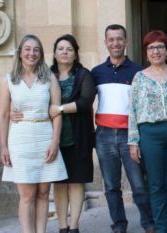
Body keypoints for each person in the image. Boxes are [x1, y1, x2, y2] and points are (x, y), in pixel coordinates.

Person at [0, 34, 68, 233]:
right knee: (27, 195)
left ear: (41, 54)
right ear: (20, 53)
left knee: (44, 193)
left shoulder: (49, 78)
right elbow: (3, 115)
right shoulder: (9, 80)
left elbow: (56, 112)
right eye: (27, 49)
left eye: (36, 49)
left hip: (45, 136)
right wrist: (3, 146)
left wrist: (55, 142)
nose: (32, 53)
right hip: (20, 140)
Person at [91, 24, 155, 233]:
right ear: (105, 42)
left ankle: (149, 223)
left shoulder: (138, 71)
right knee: (111, 186)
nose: (115, 43)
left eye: (119, 39)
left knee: (138, 185)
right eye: (111, 39)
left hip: (130, 135)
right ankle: (119, 225)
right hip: (104, 136)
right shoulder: (97, 73)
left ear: (126, 41)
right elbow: (83, 101)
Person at [128, 30, 167, 233]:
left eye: (160, 46)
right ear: (146, 52)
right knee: (156, 184)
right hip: (149, 133)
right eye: (151, 47)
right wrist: (133, 141)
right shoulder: (139, 77)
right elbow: (131, 109)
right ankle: (160, 228)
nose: (156, 51)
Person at [49, 34, 96, 233]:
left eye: (69, 49)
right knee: (59, 184)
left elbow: (85, 102)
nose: (65, 52)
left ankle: (74, 226)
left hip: (79, 136)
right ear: (54, 53)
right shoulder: (46, 74)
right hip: (53, 138)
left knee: (76, 182)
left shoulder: (84, 74)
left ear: (76, 53)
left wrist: (59, 109)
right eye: (61, 48)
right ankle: (62, 226)